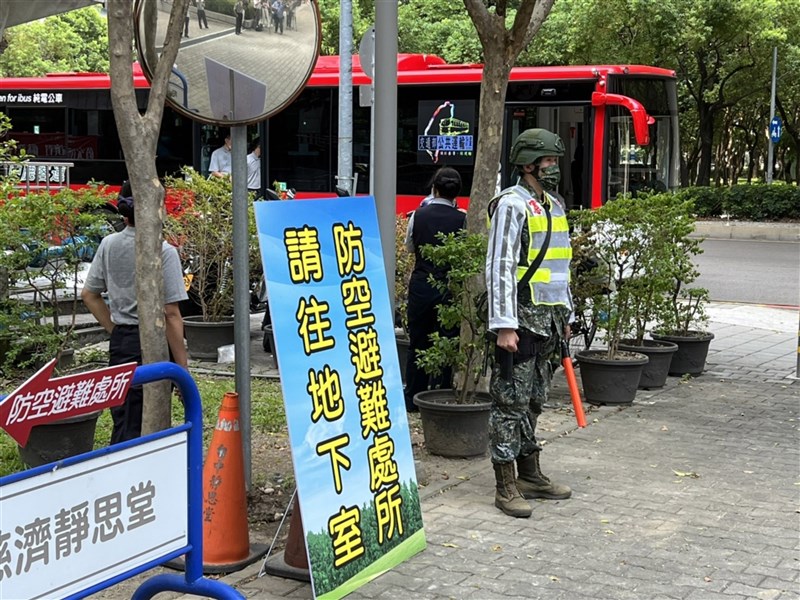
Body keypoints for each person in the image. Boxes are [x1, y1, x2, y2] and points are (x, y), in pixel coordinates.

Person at [485, 128, 574, 518]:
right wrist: (505, 324)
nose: (554, 168)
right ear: (528, 164)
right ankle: (505, 486)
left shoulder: (553, 205)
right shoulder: (511, 204)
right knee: (510, 402)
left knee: (535, 401)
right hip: (519, 321)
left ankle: (529, 473)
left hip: (549, 322)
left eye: (556, 161)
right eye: (548, 162)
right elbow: (500, 266)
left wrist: (565, 315)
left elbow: (559, 268)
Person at [81, 182, 188, 444]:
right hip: (154, 342)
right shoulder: (164, 251)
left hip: (121, 342)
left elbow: (89, 294)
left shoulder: (108, 244)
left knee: (124, 416)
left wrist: (114, 329)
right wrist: (183, 367)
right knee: (148, 421)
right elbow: (171, 313)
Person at [403, 167, 466, 413]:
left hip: (421, 286)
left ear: (434, 189)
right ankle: (439, 395)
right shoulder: (463, 218)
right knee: (447, 341)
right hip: (450, 287)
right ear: (456, 194)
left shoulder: (418, 215)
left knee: (418, 340)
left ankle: (413, 398)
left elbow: (409, 247)